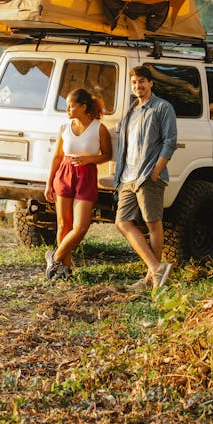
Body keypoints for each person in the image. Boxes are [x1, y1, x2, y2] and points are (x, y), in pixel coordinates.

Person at [114, 66, 177, 290]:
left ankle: (152, 279)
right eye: (134, 82)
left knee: (153, 224)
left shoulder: (162, 108)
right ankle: (156, 268)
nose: (138, 86)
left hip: (149, 175)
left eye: (141, 81)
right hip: (128, 176)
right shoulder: (131, 111)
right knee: (122, 223)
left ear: (150, 83)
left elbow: (170, 142)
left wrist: (156, 172)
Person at [44, 88, 112, 280]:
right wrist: (48, 183)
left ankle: (54, 257)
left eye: (71, 106)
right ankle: (65, 270)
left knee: (81, 226)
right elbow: (57, 156)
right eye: (67, 106)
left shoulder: (99, 128)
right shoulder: (64, 128)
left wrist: (89, 159)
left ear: (83, 107)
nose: (67, 110)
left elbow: (107, 155)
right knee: (63, 225)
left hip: (86, 175)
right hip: (64, 173)